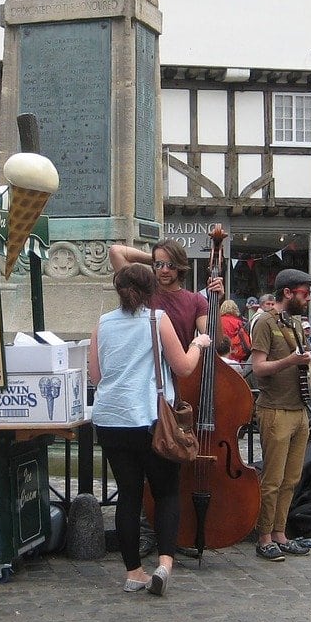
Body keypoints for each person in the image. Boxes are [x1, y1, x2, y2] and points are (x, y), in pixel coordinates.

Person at [89, 262, 210, 596]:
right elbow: (183, 367)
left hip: (111, 419)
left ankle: (133, 572)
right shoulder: (157, 319)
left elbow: (96, 377)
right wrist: (199, 344)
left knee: (128, 495)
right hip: (150, 419)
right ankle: (165, 563)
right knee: (166, 492)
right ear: (150, 291)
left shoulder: (102, 323)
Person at [110, 238, 222, 556]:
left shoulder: (194, 301)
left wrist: (216, 302)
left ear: (182, 268)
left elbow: (212, 339)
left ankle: (175, 532)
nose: (163, 271)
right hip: (148, 391)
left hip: (181, 388)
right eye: (159, 265)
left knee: (175, 464)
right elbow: (116, 252)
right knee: (151, 466)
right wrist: (157, 255)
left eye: (171, 265)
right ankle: (148, 531)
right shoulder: (145, 292)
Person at [249, 268, 311, 561]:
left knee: (291, 478)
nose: (308, 299)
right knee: (272, 480)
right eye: (304, 294)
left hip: (299, 409)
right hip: (275, 409)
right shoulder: (264, 322)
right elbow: (258, 368)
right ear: (287, 293)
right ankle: (264, 536)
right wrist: (289, 361)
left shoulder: (295, 323)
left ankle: (281, 533)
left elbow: (306, 356)